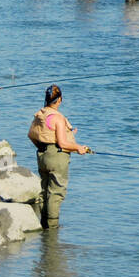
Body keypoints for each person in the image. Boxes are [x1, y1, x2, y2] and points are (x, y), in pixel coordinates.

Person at [27, 84, 92, 229]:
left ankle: (44, 224)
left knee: (44, 191)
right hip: (57, 158)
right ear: (60, 100)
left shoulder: (41, 115)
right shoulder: (58, 118)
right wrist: (78, 148)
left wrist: (69, 135)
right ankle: (52, 228)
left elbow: (31, 135)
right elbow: (62, 143)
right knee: (56, 193)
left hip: (42, 155)